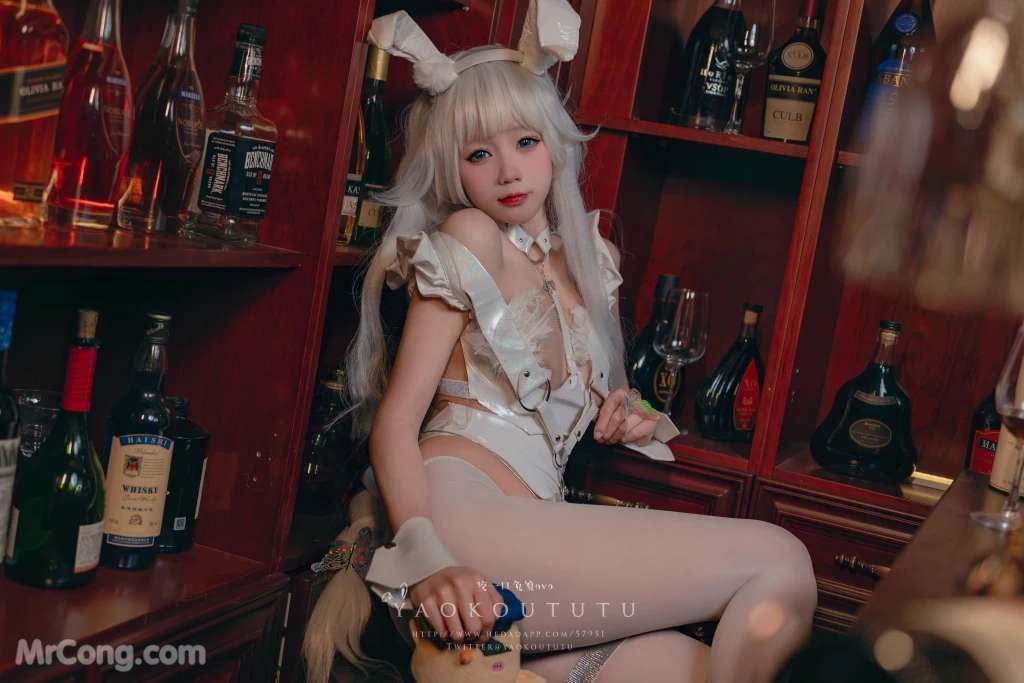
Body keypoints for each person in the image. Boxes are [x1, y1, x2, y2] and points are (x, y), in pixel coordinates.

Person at [304, 2, 818, 681]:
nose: (508, 172)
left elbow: (598, 400)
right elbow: (395, 423)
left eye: (525, 142)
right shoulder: (469, 236)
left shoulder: (590, 261)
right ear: (453, 168)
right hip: (460, 527)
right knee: (780, 559)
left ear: (554, 142)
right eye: (479, 154)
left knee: (696, 670)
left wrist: (629, 413)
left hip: (539, 538)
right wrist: (427, 563)